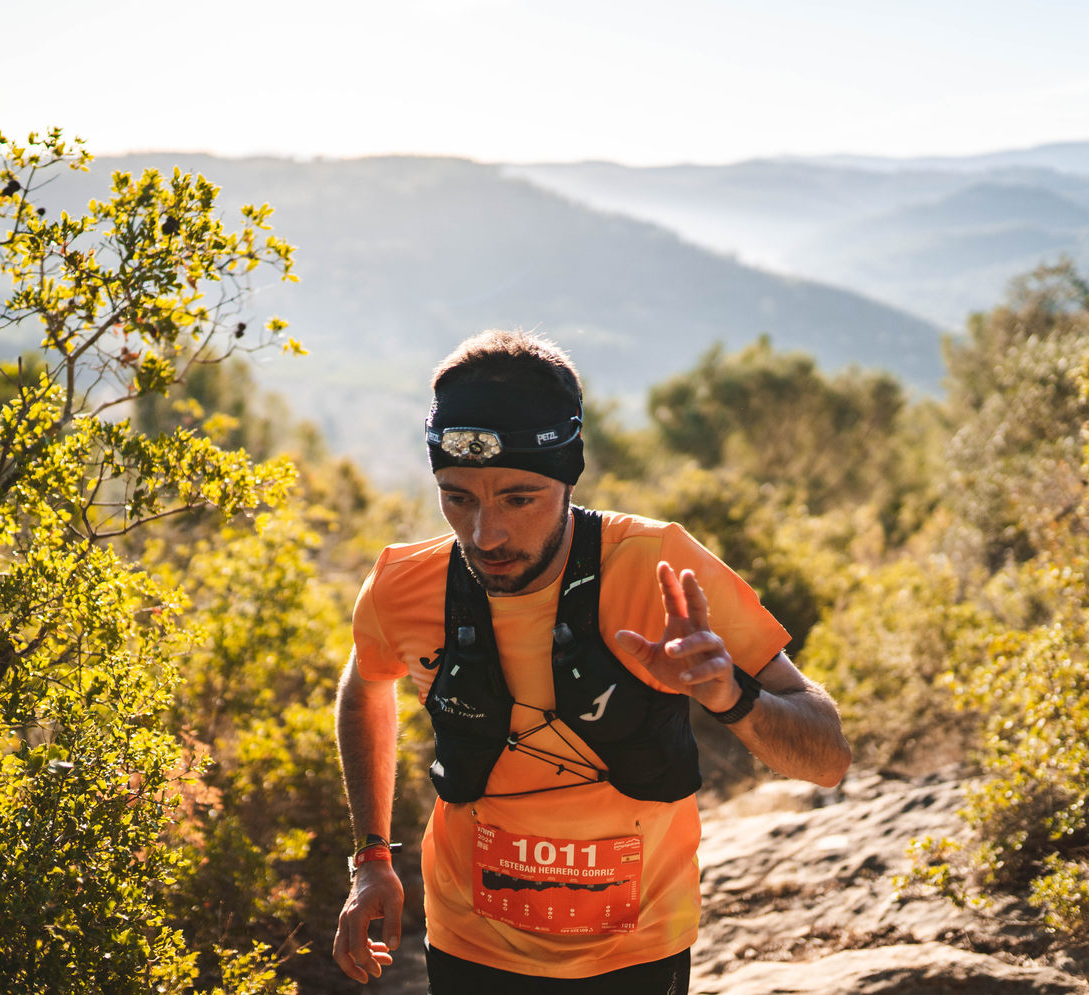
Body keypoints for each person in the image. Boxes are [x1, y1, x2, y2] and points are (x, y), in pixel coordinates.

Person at [332, 329, 851, 992]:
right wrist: (372, 857)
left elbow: (828, 759)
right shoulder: (403, 585)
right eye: (458, 497)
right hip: (470, 944)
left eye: (519, 498)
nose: (486, 534)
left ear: (568, 477)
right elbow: (365, 687)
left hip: (638, 953)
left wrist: (730, 696)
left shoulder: (661, 566)